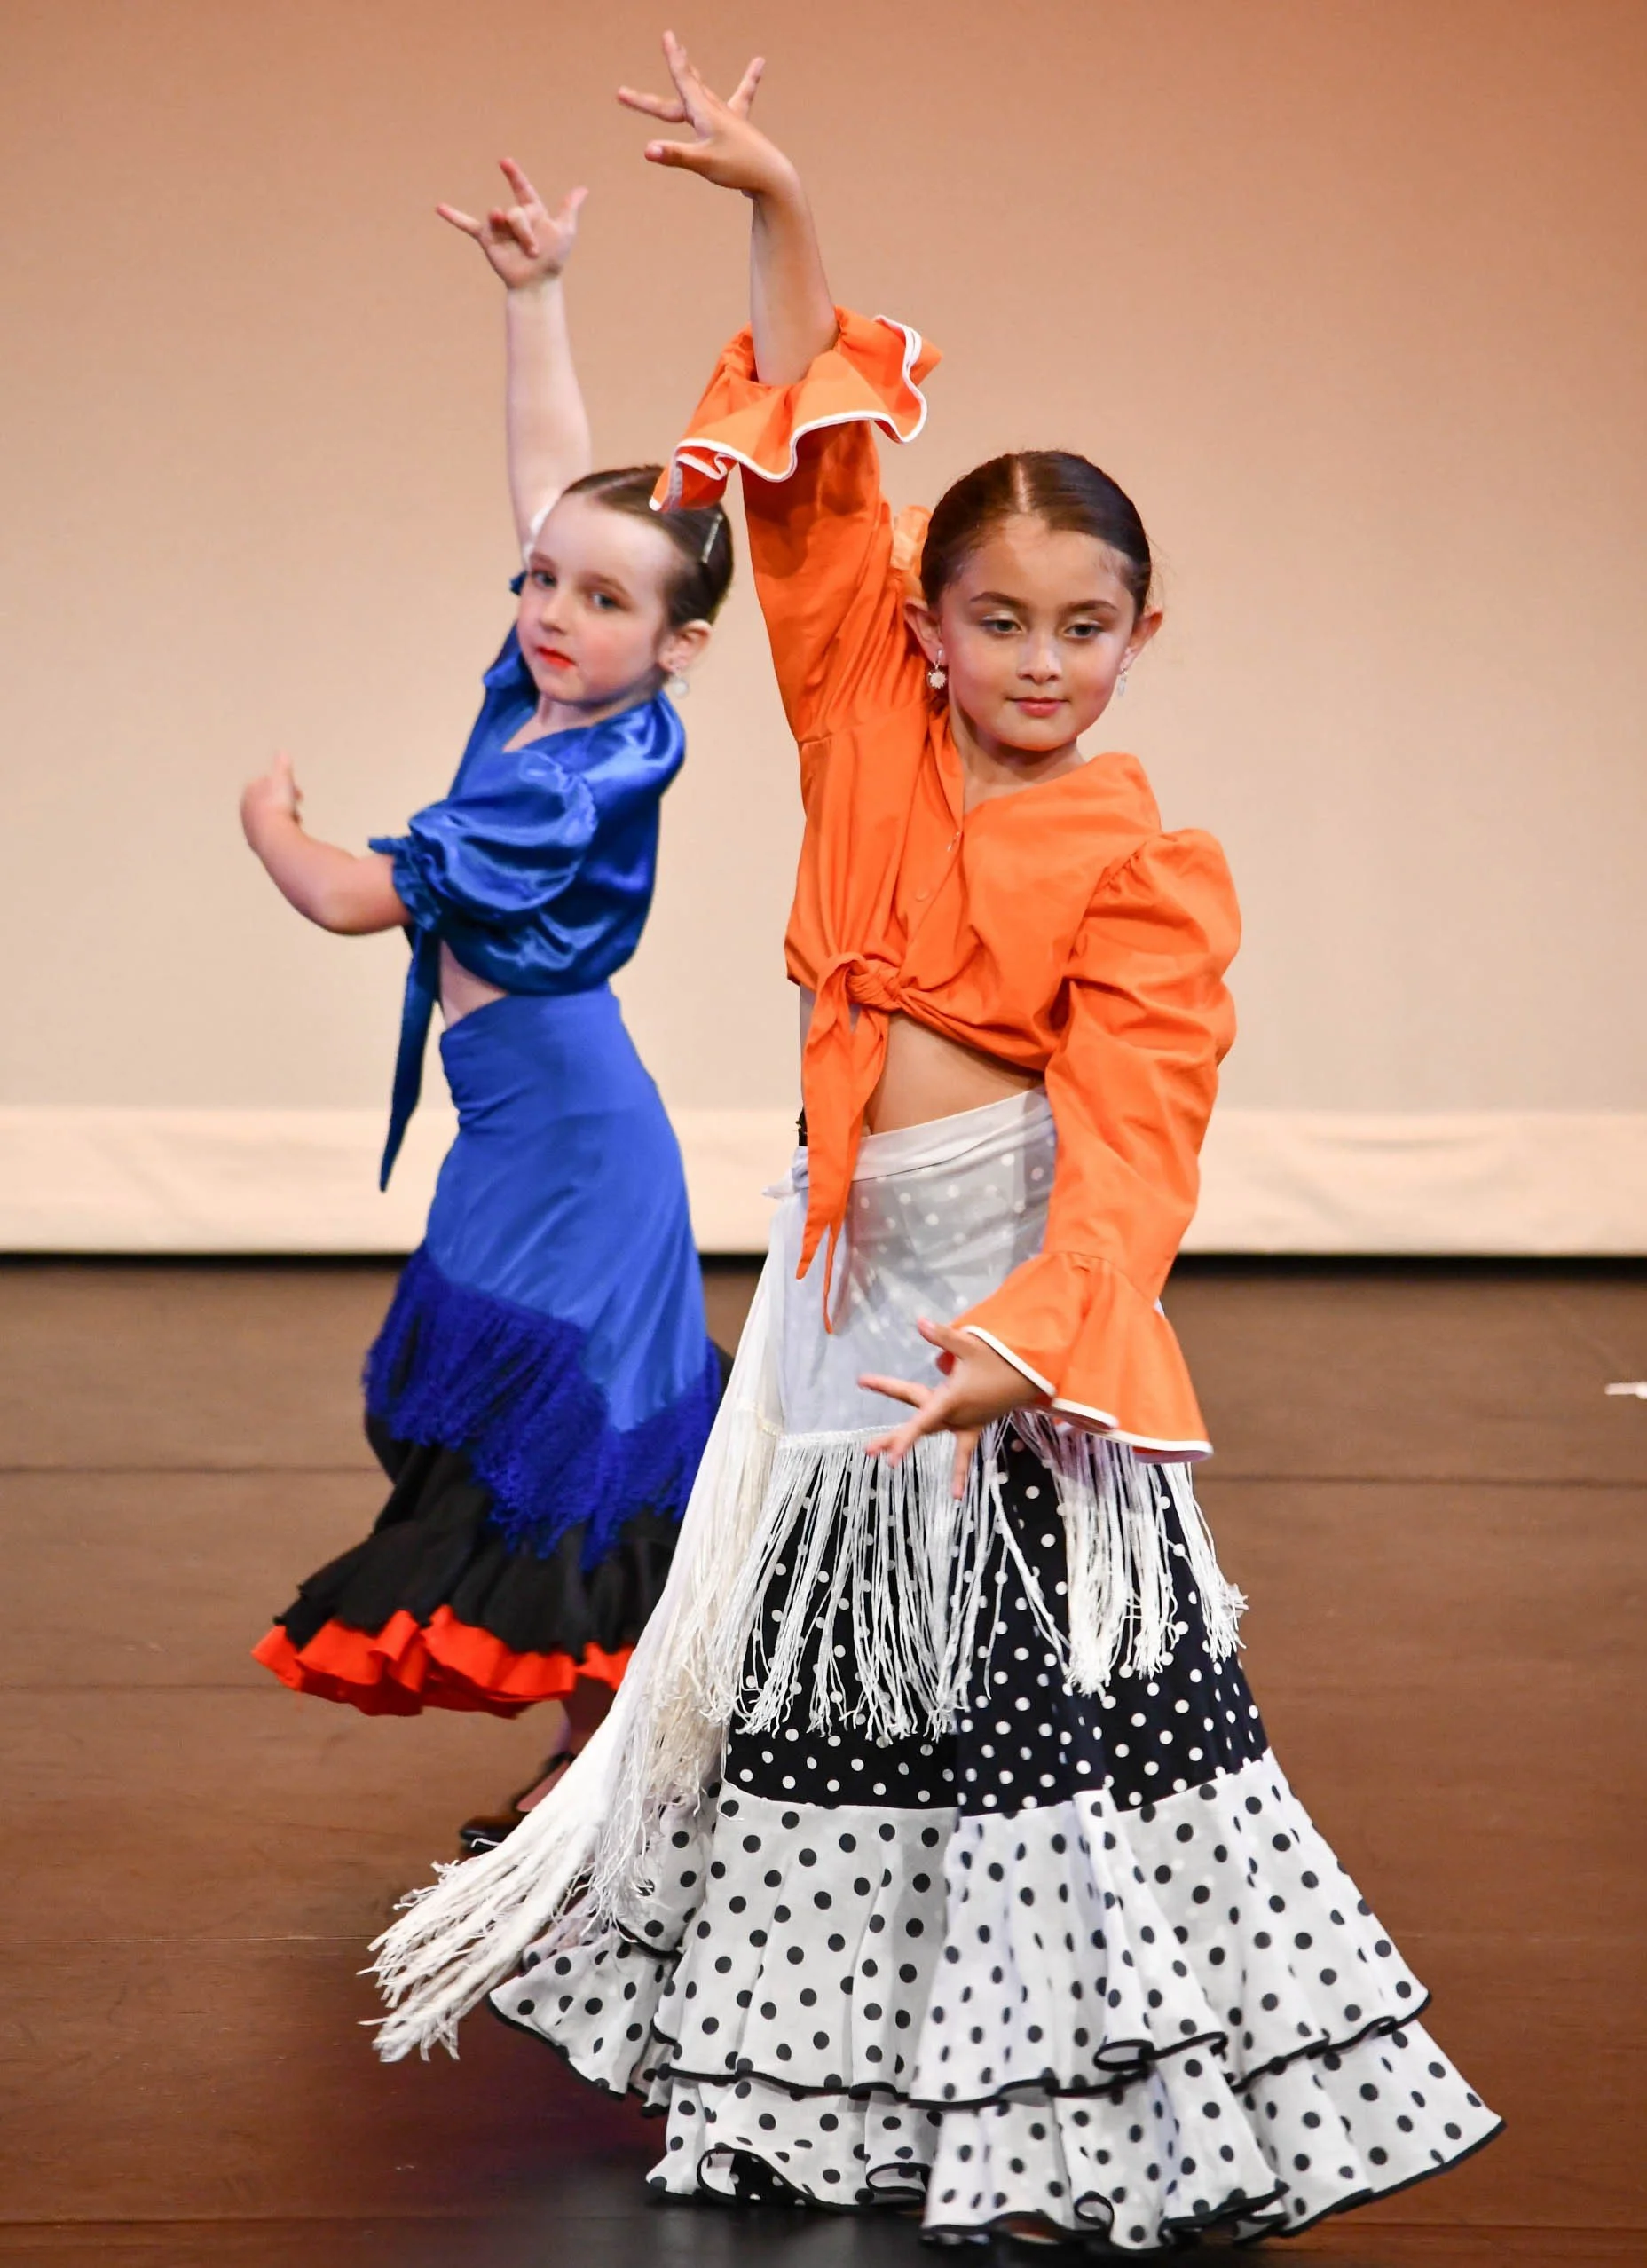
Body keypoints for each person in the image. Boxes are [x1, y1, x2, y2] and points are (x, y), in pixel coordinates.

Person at [371, 46, 1501, 2248]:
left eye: (1087, 626)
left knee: (1017, 1729)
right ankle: (825, 2076)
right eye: (999, 618)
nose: (1041, 658)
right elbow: (818, 461)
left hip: (1000, 1311)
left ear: (1142, 636)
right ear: (929, 629)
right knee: (822, 1712)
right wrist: (777, 205)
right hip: (837, 1291)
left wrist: (1037, 1335)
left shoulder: (1145, 864)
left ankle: (1044, 2100)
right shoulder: (863, 720)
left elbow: (1141, 1146)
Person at [242, 158, 731, 1842]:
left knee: (551, 1438)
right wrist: (534, 301)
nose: (551, 612)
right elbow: (554, 491)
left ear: (678, 647)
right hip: (532, 1125)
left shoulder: (576, 773)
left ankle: (611, 1758)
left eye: (604, 602)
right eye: (544, 584)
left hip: (581, 1147)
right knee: (460, 1408)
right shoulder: (543, 694)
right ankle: (619, 1747)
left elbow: (339, 897)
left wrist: (270, 824)